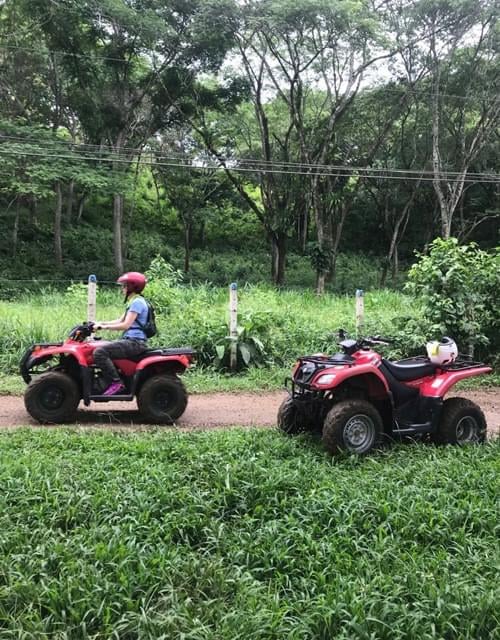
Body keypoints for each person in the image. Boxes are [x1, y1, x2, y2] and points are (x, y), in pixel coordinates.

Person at [93, 271, 149, 395]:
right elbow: (119, 320)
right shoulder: (134, 301)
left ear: (133, 287)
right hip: (132, 341)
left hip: (135, 343)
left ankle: (116, 382)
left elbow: (125, 325)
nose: (122, 289)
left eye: (125, 286)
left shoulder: (137, 303)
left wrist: (103, 328)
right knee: (100, 347)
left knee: (100, 352)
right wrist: (101, 323)